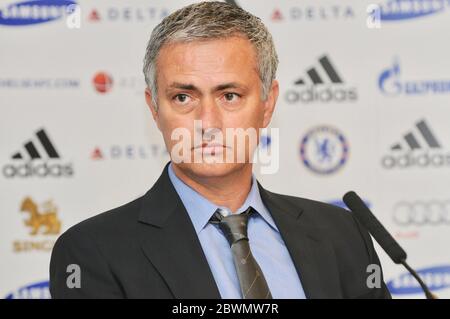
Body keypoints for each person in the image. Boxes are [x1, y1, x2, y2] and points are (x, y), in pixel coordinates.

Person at [50, 1, 391, 299]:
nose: (208, 122)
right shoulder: (92, 252)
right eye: (183, 97)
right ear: (154, 108)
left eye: (229, 96)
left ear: (267, 104)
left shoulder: (343, 235)